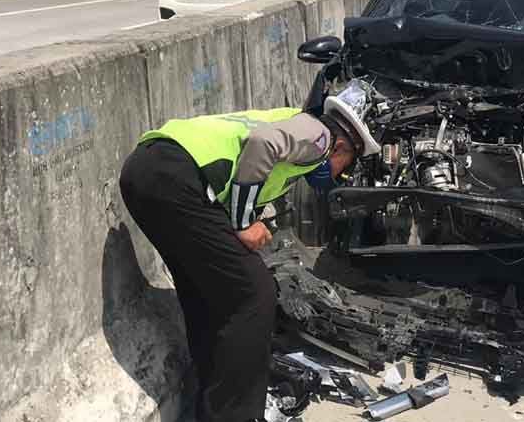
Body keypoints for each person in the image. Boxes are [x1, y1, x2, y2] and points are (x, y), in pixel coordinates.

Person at [119, 81, 380, 422]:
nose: (340, 173)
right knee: (254, 292)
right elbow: (262, 144)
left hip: (148, 170)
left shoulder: (290, 124)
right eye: (346, 164)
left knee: (208, 295)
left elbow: (241, 164)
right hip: (176, 176)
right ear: (343, 146)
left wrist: (248, 216)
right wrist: (243, 222)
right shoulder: (320, 137)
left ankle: (211, 401)